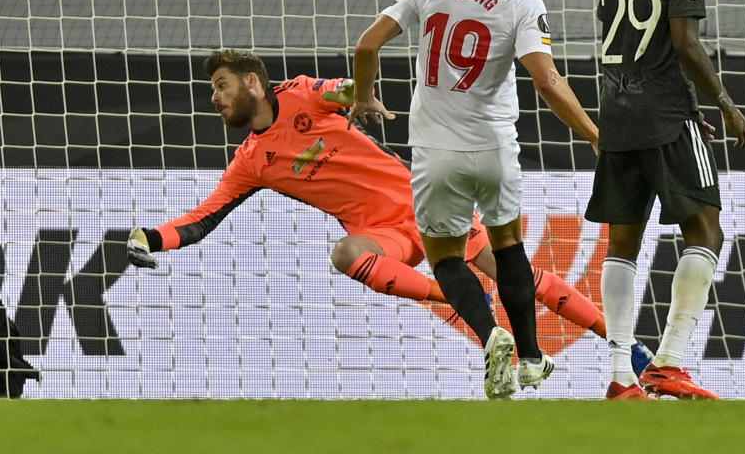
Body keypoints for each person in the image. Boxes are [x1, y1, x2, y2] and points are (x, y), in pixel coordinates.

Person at [124, 50, 646, 396]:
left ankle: (627, 347)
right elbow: (202, 219)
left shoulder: (303, 93)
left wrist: (361, 93)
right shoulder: (251, 161)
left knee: (523, 278)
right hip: (389, 235)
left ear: (253, 83)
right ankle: (473, 310)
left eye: (220, 85)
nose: (213, 97)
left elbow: (344, 89)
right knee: (346, 253)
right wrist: (152, 236)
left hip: (427, 204)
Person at [349, 0, 600, 399]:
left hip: (435, 152)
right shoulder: (524, 1)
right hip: (493, 147)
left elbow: (366, 46)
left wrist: (363, 96)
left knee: (446, 258)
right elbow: (546, 79)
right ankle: (530, 357)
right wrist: (594, 133)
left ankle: (492, 337)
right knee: (508, 249)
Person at [585, 0, 745, 400]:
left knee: (622, 243)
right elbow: (683, 43)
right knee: (706, 230)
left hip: (616, 114)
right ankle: (670, 362)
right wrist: (725, 103)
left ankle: (619, 375)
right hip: (664, 116)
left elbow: (638, 44)